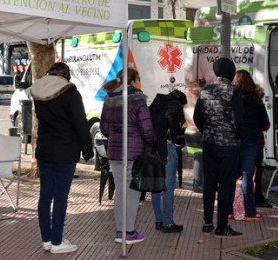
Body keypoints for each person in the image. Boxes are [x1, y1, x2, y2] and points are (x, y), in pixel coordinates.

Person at [31, 62, 93, 254]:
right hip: (65, 152)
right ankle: (57, 241)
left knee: (45, 196)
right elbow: (80, 124)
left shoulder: (38, 93)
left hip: (44, 151)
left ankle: (47, 239)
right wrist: (88, 151)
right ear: (66, 76)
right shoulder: (71, 94)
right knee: (60, 198)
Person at [100, 68, 155, 245]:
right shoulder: (138, 100)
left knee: (120, 191)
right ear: (133, 80)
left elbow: (104, 128)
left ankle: (120, 230)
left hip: (114, 152)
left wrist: (116, 136)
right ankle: (128, 231)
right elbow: (147, 128)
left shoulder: (109, 99)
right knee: (131, 192)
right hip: (133, 151)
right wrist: (153, 142)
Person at [193, 57, 244, 238]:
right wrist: (238, 136)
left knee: (209, 184)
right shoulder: (235, 92)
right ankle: (222, 226)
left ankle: (207, 223)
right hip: (229, 146)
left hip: (209, 144)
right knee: (225, 186)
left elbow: (197, 117)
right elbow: (238, 121)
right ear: (231, 73)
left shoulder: (205, 90)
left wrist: (207, 131)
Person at [232, 70, 270, 221]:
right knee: (247, 175)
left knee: (231, 175)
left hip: (233, 140)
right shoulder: (255, 99)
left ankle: (229, 210)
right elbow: (265, 124)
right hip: (251, 141)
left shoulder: (231, 98)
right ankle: (249, 212)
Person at [149, 89, 186, 233]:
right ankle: (168, 223)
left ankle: (159, 221)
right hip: (167, 148)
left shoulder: (157, 102)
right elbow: (170, 117)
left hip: (154, 148)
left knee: (156, 186)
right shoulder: (175, 104)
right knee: (168, 187)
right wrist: (171, 133)